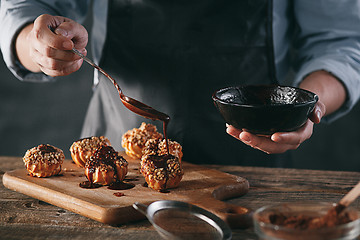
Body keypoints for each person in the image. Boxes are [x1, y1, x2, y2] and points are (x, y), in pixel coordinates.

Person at [1, 0, 359, 167]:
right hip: (114, 157)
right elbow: (25, 10)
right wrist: (37, 43)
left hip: (256, 157)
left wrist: (306, 106)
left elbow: (342, 43)